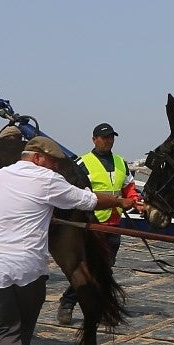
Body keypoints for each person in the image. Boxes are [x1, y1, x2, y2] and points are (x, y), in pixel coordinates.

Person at [0, 136, 127, 345]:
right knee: (18, 337)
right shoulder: (48, 181)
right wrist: (121, 201)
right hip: (31, 273)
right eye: (54, 163)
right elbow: (89, 200)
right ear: (38, 157)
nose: (56, 169)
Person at [58, 122, 129, 327]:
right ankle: (68, 303)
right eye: (104, 137)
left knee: (104, 267)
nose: (108, 141)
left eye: (111, 137)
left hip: (113, 223)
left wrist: (134, 201)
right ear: (94, 139)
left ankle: (93, 305)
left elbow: (128, 187)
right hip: (89, 223)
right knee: (87, 267)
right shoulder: (82, 163)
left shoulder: (121, 162)